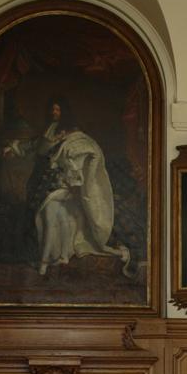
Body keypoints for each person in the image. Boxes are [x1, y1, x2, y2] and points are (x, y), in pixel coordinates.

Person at [8, 97, 128, 275]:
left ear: (64, 112)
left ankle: (46, 261)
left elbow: (86, 151)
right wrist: (15, 148)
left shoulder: (73, 134)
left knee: (50, 217)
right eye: (53, 109)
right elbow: (38, 144)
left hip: (62, 185)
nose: (54, 113)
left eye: (57, 110)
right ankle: (56, 256)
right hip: (43, 180)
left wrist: (71, 173)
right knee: (48, 216)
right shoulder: (51, 129)